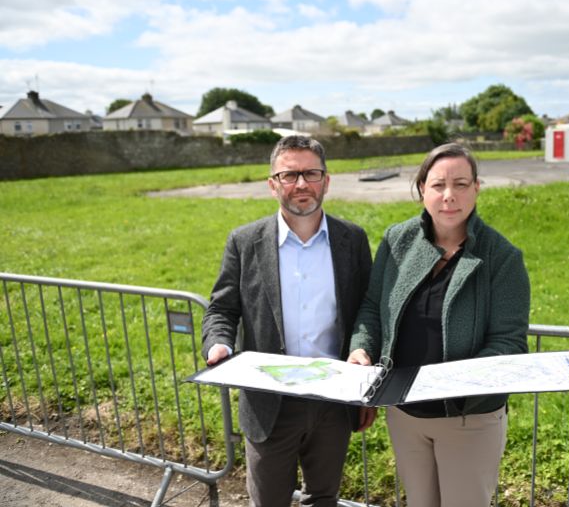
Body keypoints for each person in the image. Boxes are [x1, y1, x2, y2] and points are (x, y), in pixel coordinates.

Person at [348, 143, 530, 507]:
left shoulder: (502, 257)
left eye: (461, 184)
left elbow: (509, 341)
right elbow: (372, 306)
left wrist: (458, 381)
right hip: (406, 414)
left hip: (469, 418)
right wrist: (361, 347)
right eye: (437, 185)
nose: (449, 196)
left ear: (477, 188)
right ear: (421, 191)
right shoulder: (397, 241)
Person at [202, 135, 373, 507]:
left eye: (311, 173)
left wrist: (362, 350)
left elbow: (366, 310)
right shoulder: (245, 242)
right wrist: (220, 342)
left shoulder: (352, 240)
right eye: (289, 174)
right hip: (269, 401)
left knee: (323, 498)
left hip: (333, 398)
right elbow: (221, 308)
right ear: (272, 184)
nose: (301, 184)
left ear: (326, 181)